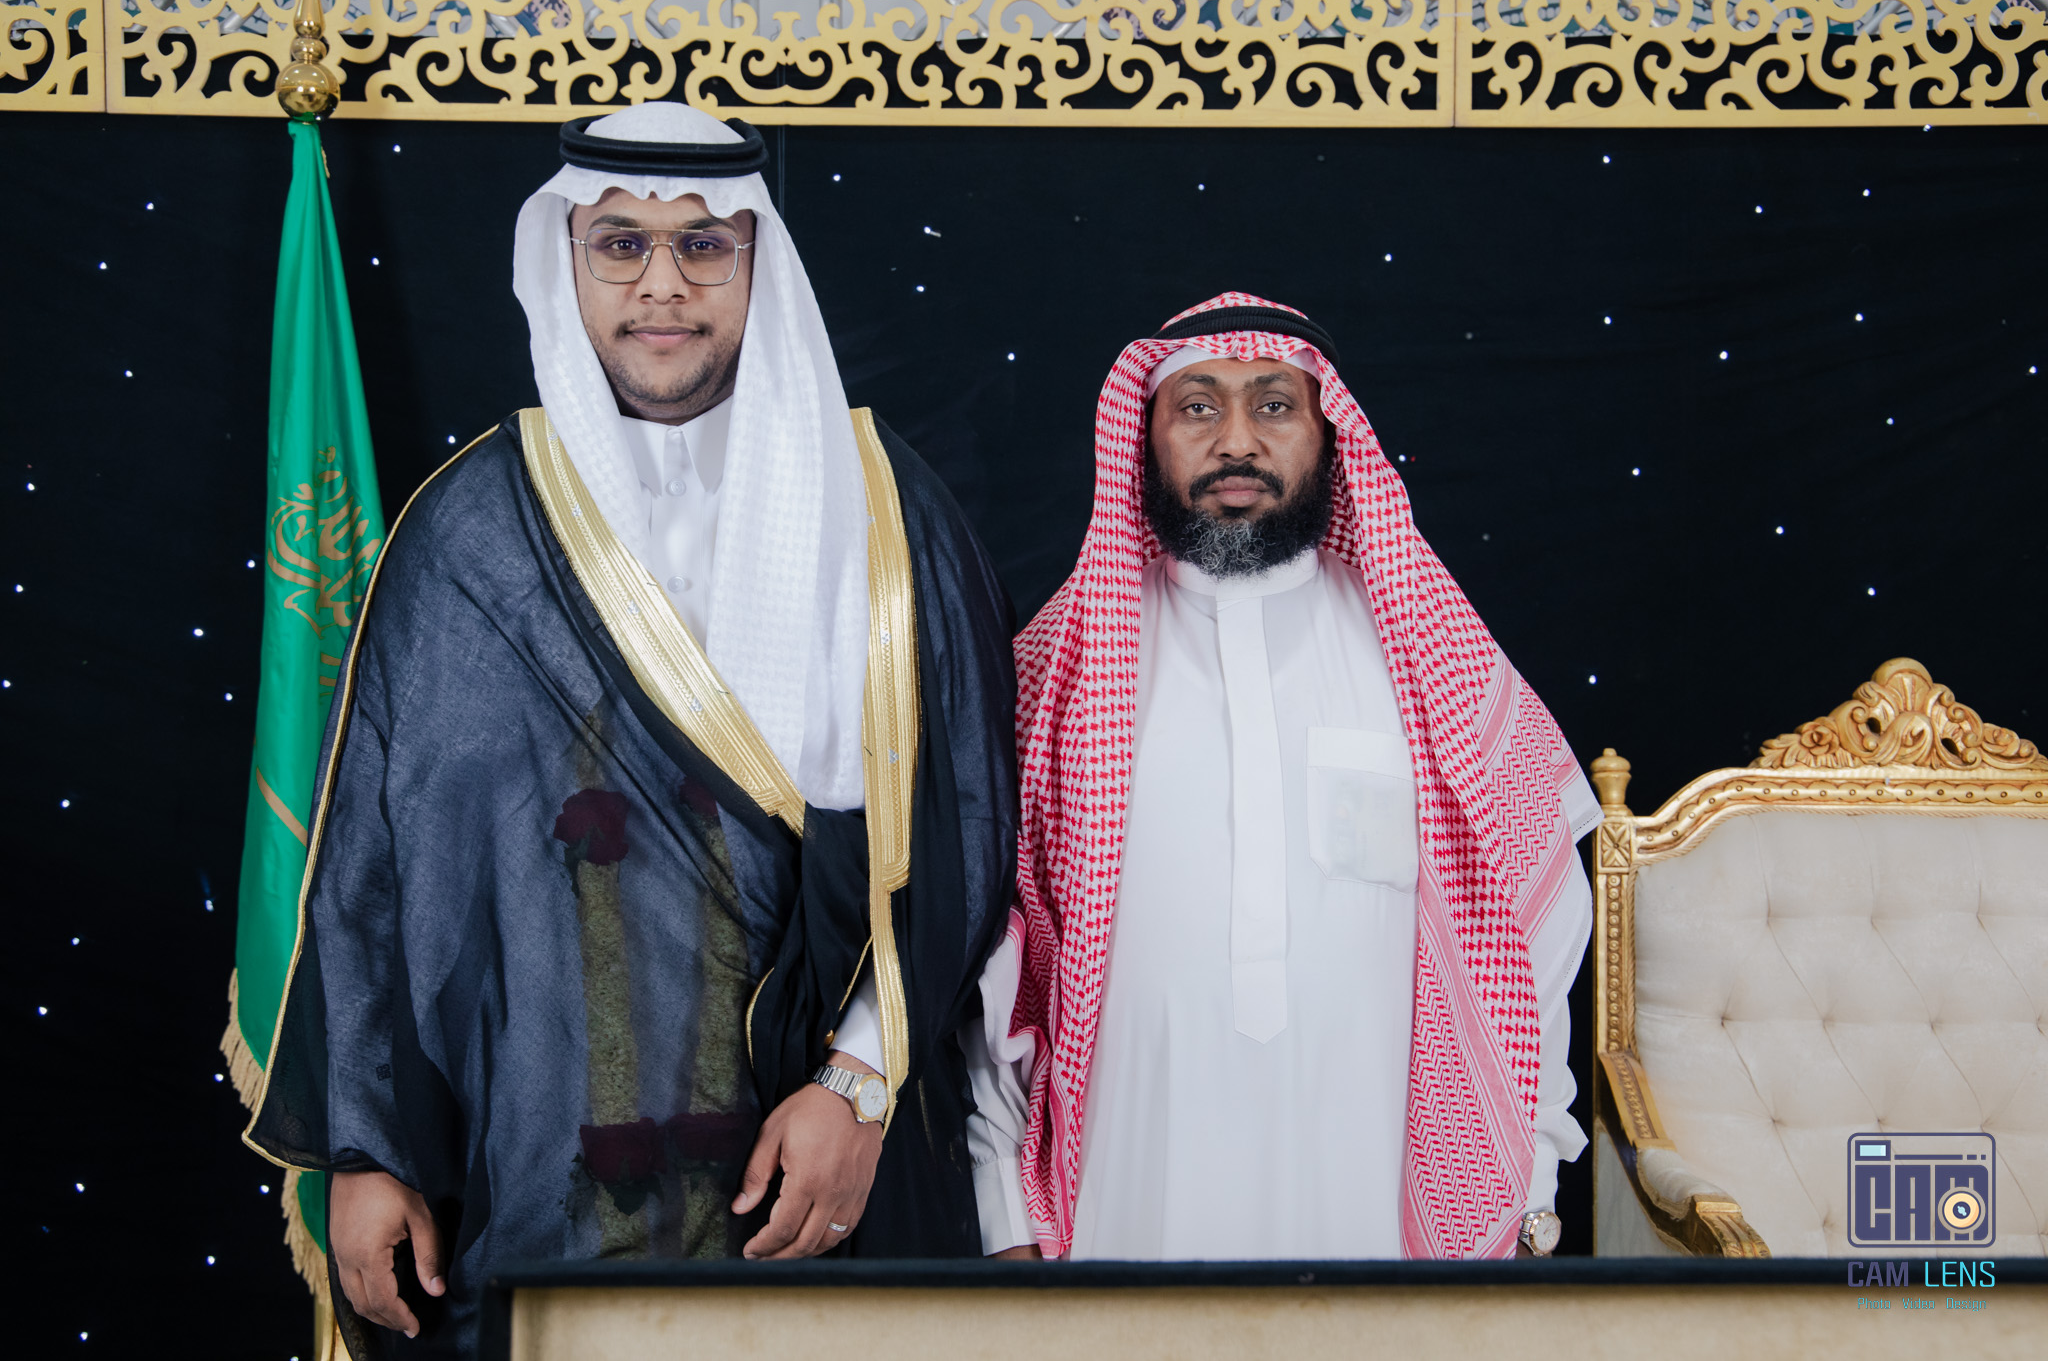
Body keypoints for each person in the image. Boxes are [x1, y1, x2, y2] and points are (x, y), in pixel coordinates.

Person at [246, 103, 1017, 1357]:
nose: (662, 285)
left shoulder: (884, 517)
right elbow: (373, 872)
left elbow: (965, 826)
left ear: (757, 262)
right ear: (565, 259)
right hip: (541, 1171)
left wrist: (859, 1084)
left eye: (703, 245)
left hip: (812, 1172)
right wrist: (366, 1152)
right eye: (619, 245)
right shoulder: (466, 531)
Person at [963, 293, 1599, 1262]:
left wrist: (1532, 1183)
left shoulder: (1429, 662)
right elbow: (995, 967)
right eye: (1196, 407)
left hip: (1374, 1188)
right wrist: (1005, 1218)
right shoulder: (1058, 672)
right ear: (1144, 438)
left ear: (1327, 433)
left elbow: (1533, 933)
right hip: (1126, 1187)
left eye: (1271, 405)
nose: (1235, 440)